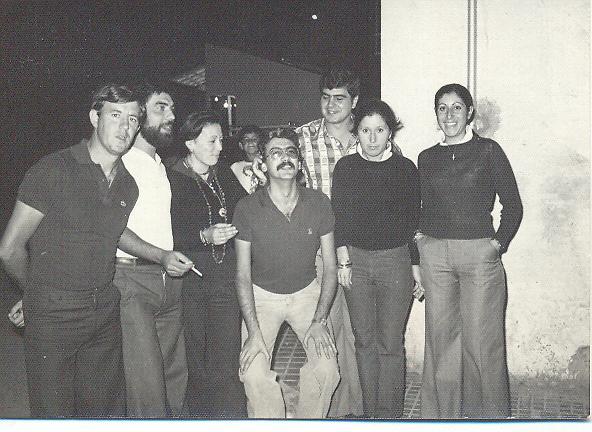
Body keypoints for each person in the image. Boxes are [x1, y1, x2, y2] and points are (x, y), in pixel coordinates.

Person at [0, 83, 142, 417]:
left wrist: (161, 255)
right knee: (54, 414)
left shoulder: (128, 185)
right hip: (54, 314)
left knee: (103, 414)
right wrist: (35, 296)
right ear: (95, 117)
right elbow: (9, 249)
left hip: (104, 310)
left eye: (133, 119)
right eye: (115, 115)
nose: (125, 127)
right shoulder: (53, 170)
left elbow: (110, 233)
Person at [417, 83, 523, 418]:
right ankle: (442, 418)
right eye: (442, 108)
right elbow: (421, 206)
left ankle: (488, 419)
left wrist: (496, 245)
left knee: (482, 342)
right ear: (436, 114)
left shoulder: (488, 150)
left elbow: (513, 206)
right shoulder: (426, 157)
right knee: (441, 341)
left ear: (470, 112)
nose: (449, 115)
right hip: (436, 257)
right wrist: (420, 241)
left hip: (479, 257)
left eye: (457, 107)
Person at [234, 128, 340, 418]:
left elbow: (330, 268)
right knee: (254, 373)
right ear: (263, 163)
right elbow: (242, 275)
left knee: (327, 369)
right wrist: (253, 332)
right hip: (262, 297)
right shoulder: (247, 208)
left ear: (300, 162)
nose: (285, 158)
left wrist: (319, 320)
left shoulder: (319, 202)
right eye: (275, 153)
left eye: (291, 152)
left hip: (306, 294)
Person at [331, 99, 421, 418]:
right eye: (366, 130)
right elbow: (338, 216)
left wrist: (415, 267)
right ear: (356, 132)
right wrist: (343, 260)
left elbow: (412, 222)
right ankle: (370, 414)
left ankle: (390, 415)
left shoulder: (405, 169)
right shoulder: (345, 167)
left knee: (390, 343)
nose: (372, 138)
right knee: (363, 340)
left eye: (379, 130)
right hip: (355, 261)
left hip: (395, 261)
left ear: (390, 133)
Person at [294, 66, 370, 417]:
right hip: (318, 250)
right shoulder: (302, 138)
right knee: (326, 327)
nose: (330, 105)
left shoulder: (371, 135)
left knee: (360, 330)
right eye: (325, 97)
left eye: (339, 98)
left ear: (354, 101)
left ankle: (359, 407)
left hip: (363, 248)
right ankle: (335, 413)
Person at [113, 83, 192, 417]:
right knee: (147, 388)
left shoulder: (159, 164)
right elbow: (114, 229)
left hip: (167, 282)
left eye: (172, 109)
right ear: (140, 114)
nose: (171, 116)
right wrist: (161, 256)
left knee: (174, 378)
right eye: (161, 107)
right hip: (132, 280)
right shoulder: (122, 163)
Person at [167, 111, 247, 418]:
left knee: (226, 355)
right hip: (192, 279)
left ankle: (230, 419)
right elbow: (166, 233)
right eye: (212, 141)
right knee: (195, 356)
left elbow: (242, 211)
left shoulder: (224, 174)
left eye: (221, 140)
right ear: (190, 143)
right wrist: (204, 235)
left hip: (225, 276)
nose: (220, 147)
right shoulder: (172, 179)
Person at [230, 125, 264, 194]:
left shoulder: (266, 165)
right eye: (246, 140)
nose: (250, 142)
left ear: (260, 143)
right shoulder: (235, 167)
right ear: (241, 145)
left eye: (254, 139)